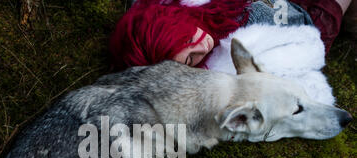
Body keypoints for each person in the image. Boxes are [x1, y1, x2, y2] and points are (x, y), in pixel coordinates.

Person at [109, 0, 353, 71]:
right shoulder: (232, 50)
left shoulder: (164, 11)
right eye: (190, 60)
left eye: (187, 39)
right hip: (307, 18)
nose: (202, 46)